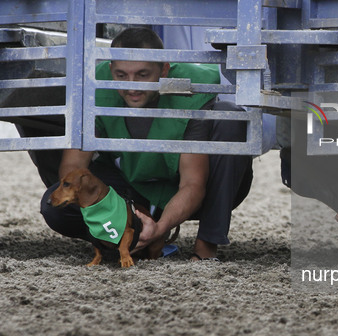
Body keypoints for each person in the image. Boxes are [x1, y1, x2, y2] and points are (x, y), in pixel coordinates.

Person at [40, 27, 253, 261]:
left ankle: (205, 247)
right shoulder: (95, 86)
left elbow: (193, 184)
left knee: (228, 116)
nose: (132, 86)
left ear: (164, 69)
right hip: (129, 188)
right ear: (111, 69)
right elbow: (72, 165)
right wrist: (122, 210)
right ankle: (127, 237)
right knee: (56, 207)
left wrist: (160, 228)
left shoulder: (191, 90)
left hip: (185, 190)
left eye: (143, 75)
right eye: (121, 75)